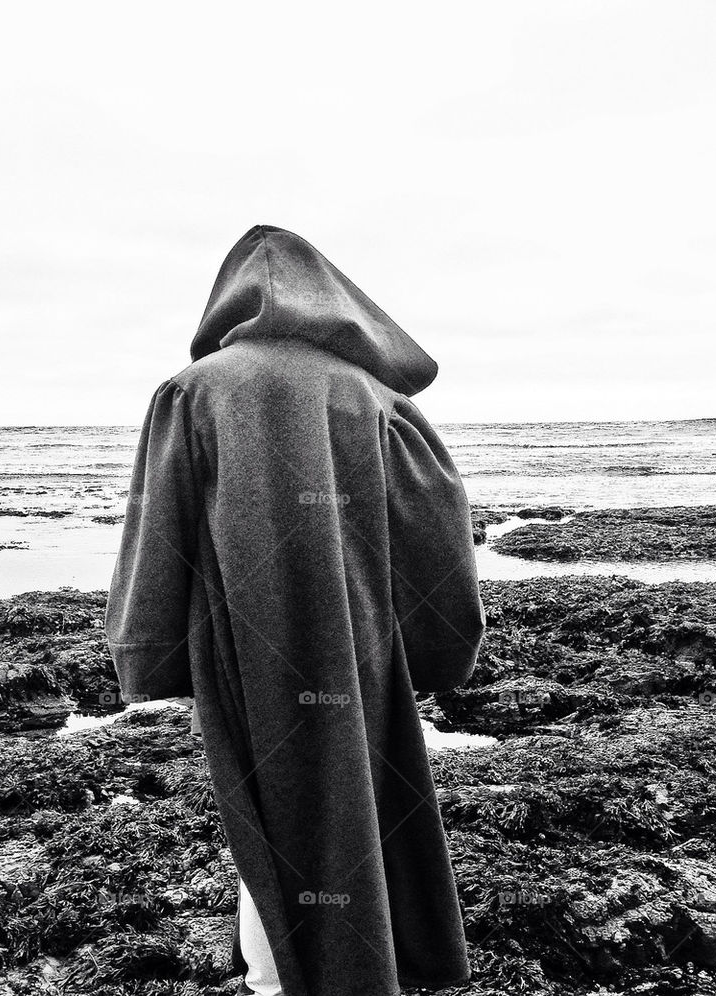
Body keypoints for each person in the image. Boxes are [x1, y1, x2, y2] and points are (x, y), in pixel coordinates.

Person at [106, 224, 485, 996]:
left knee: (266, 815)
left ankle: (276, 982)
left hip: (243, 646)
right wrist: (445, 650)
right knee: (358, 805)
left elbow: (157, 528)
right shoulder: (375, 398)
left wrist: (146, 655)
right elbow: (438, 530)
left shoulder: (195, 390)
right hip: (362, 647)